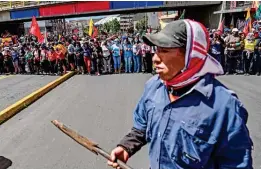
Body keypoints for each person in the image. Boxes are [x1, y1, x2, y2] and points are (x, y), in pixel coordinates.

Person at [107, 20, 253, 169]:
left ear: (191, 54)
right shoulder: (154, 86)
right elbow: (141, 126)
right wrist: (126, 146)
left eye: (164, 50)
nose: (155, 58)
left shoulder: (224, 106)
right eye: (156, 50)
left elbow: (236, 164)